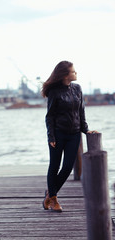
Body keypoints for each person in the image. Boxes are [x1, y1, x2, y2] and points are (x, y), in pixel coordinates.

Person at [41, 60, 97, 212]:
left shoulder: (77, 88)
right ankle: (53, 199)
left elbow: (81, 111)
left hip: (74, 134)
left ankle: (50, 194)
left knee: (67, 168)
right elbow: (50, 116)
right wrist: (51, 136)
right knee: (54, 166)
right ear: (65, 75)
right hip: (58, 134)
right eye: (73, 71)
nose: (76, 73)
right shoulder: (54, 92)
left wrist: (86, 130)